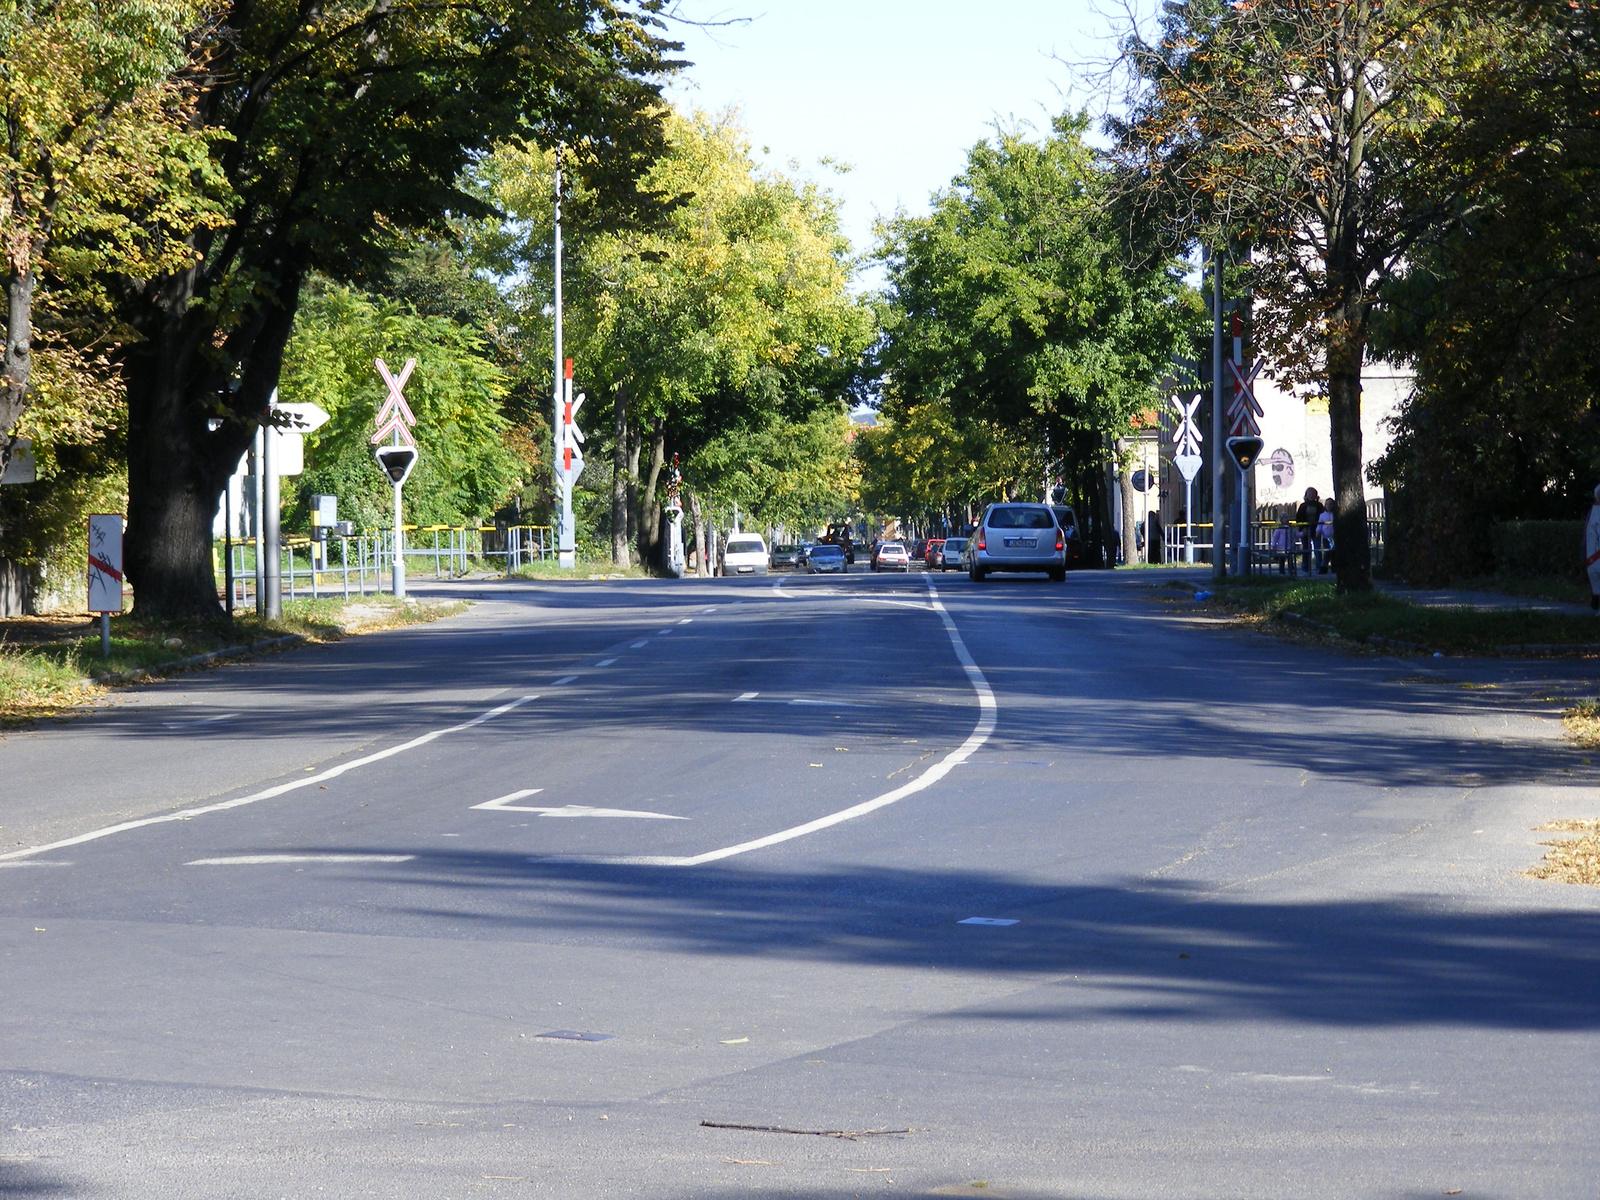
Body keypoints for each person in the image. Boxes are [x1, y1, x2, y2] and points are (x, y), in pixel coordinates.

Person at [1294, 487, 1322, 573]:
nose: (1311, 495)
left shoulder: (1319, 506)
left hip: (1316, 529)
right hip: (1305, 529)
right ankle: (1305, 566)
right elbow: (1298, 518)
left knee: (1317, 548)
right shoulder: (1303, 506)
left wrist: (1319, 528)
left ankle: (1319, 566)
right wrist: (1303, 528)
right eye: (1309, 494)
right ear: (1306, 495)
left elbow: (1321, 517)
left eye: (1313, 494)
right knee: (1306, 548)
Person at [1316, 497, 1336, 574]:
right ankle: (1323, 567)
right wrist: (1318, 531)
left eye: (1330, 504)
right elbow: (1320, 524)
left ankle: (1335, 567)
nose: (1328, 506)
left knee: (1334, 552)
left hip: (1334, 537)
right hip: (1326, 536)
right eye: (1327, 504)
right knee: (1327, 552)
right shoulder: (1322, 515)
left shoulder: (1335, 514)